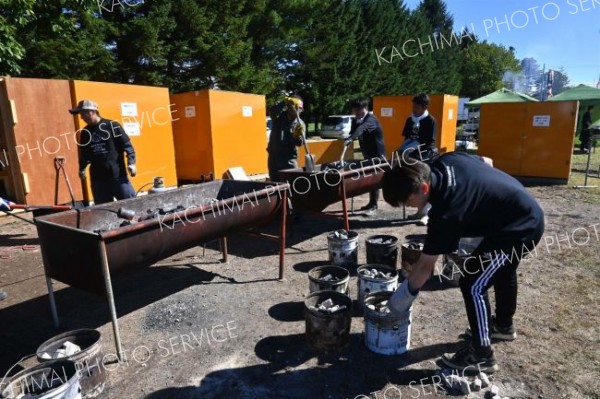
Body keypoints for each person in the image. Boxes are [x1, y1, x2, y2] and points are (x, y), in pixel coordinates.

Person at [382, 152, 544, 373]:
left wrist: (397, 304)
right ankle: (503, 325)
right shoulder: (446, 160)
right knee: (501, 270)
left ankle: (481, 356)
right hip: (515, 215)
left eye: (409, 201)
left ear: (424, 189)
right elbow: (488, 161)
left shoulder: (446, 214)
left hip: (521, 229)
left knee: (473, 284)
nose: (410, 207)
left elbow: (424, 268)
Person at [69, 100, 137, 205]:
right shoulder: (85, 133)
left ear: (91, 112)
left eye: (82, 114)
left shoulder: (112, 126)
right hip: (98, 180)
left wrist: (131, 163)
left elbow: (127, 145)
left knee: (131, 205)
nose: (81, 117)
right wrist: (82, 169)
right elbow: (85, 154)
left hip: (117, 176)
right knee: (103, 211)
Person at [344, 99, 386, 215]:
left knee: (374, 179)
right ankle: (370, 203)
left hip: (377, 154)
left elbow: (360, 129)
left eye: (358, 110)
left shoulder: (371, 119)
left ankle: (374, 205)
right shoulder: (355, 120)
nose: (356, 113)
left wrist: (351, 138)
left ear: (364, 108)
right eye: (354, 110)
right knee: (368, 177)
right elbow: (353, 131)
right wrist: (348, 138)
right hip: (366, 153)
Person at [267, 95, 306, 182]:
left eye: (301, 109)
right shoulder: (278, 118)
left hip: (288, 161)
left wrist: (297, 136)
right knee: (275, 186)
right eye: (297, 107)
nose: (299, 111)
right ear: (290, 106)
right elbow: (272, 111)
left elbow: (300, 143)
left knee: (291, 187)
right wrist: (283, 102)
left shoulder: (300, 124)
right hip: (274, 160)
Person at [399, 93, 437, 159]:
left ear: (425, 107)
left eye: (417, 107)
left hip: (425, 149)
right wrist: (401, 148)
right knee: (397, 155)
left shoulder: (430, 120)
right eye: (413, 107)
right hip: (410, 146)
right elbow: (407, 137)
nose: (414, 110)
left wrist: (411, 148)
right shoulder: (409, 119)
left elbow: (429, 142)